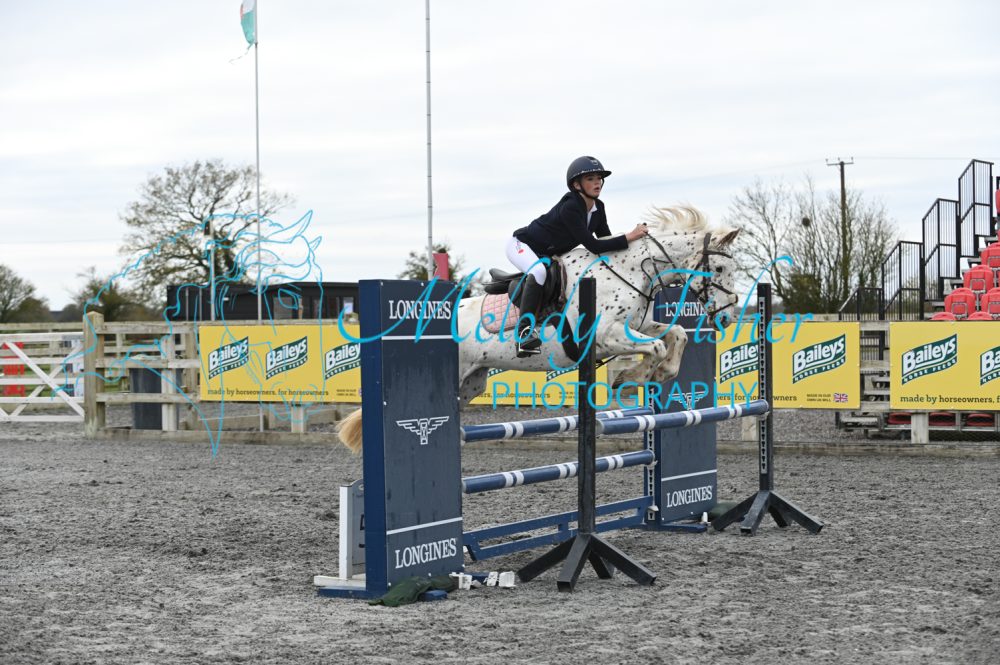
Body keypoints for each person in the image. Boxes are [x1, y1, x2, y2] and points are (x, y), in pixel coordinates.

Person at [506, 156, 649, 357]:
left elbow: (605, 240)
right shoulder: (571, 207)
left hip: (548, 253)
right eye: (590, 179)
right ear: (576, 185)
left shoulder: (598, 208)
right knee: (538, 271)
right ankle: (523, 335)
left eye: (599, 178)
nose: (597, 182)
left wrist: (636, 245)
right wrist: (630, 236)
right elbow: (593, 246)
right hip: (522, 245)